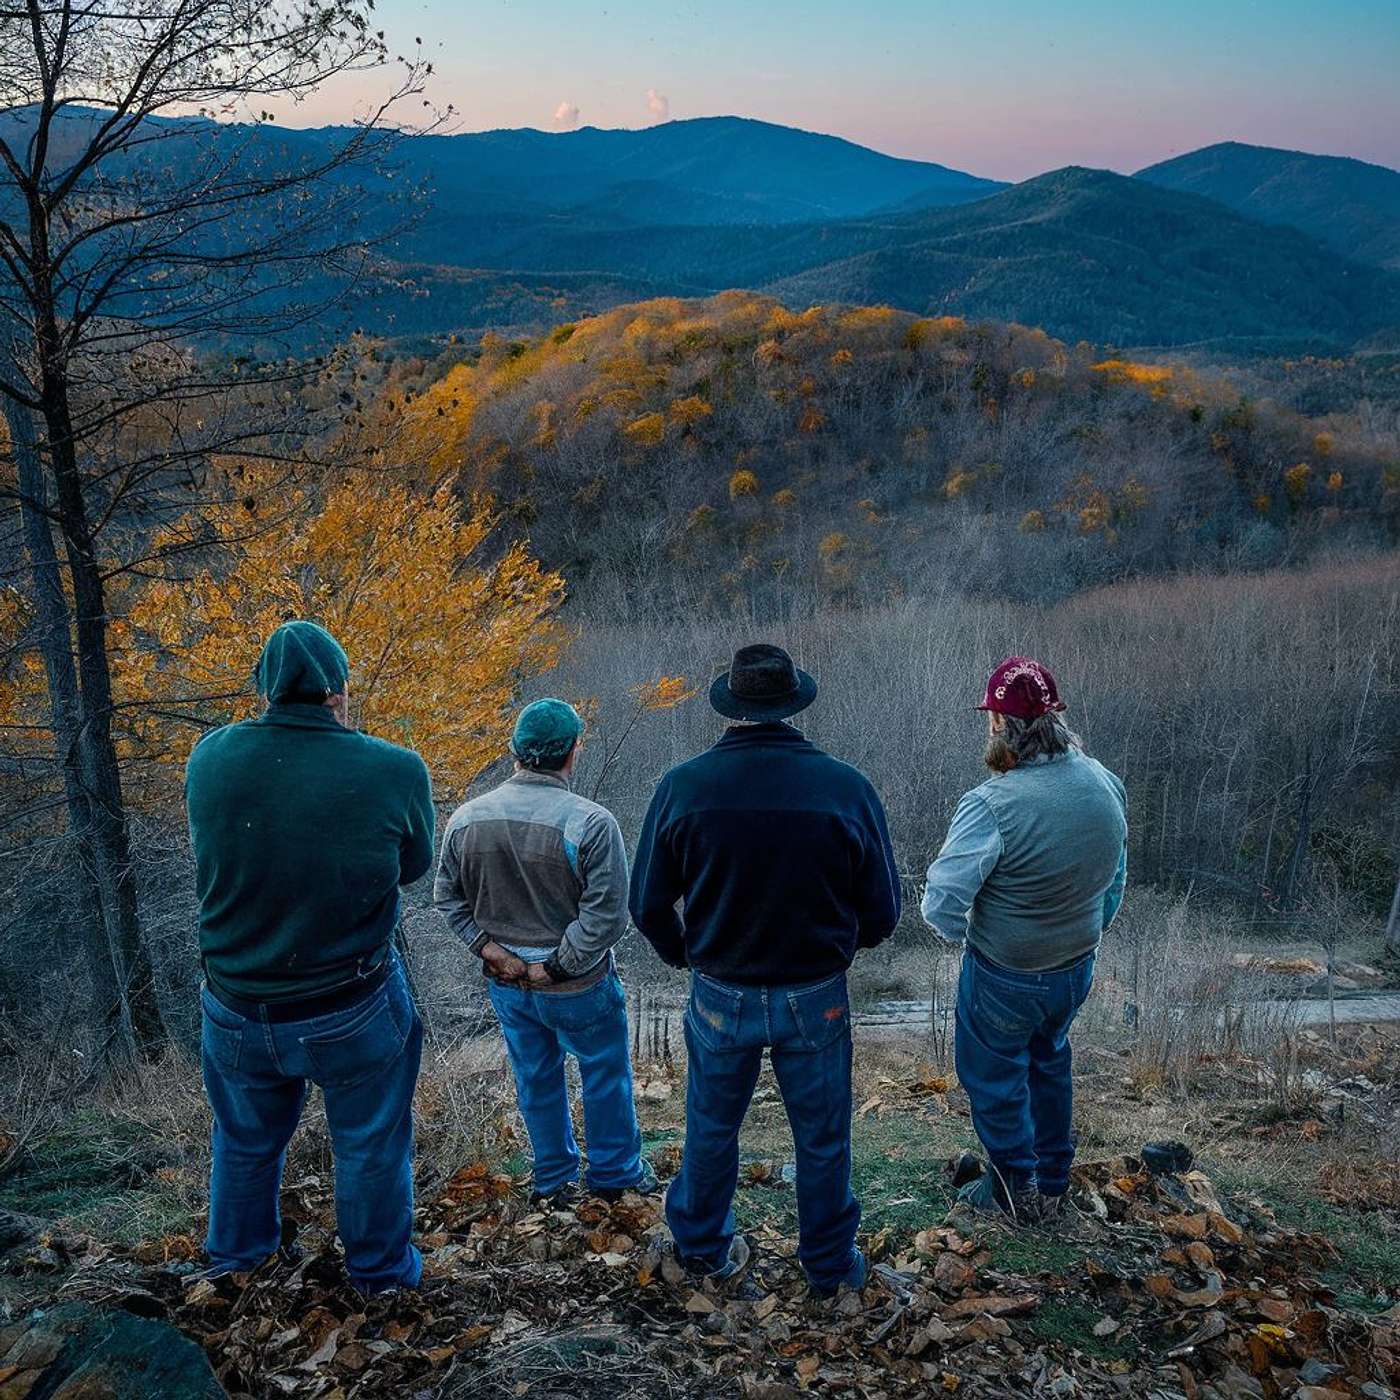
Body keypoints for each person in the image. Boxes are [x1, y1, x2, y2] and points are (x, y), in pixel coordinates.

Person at [630, 644, 901, 1296]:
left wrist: (686, 953)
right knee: (824, 1138)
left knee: (712, 1129)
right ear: (793, 704)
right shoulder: (845, 787)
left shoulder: (684, 787)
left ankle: (701, 1253)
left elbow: (646, 904)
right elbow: (884, 911)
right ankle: (831, 1270)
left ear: (731, 706)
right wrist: (838, 950)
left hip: (721, 989)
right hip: (817, 994)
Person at [186, 620, 434, 1294]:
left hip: (236, 1003)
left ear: (266, 691)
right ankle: (381, 1277)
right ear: (339, 691)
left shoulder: (209, 758)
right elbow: (414, 867)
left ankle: (236, 1268)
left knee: (243, 1139)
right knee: (370, 1141)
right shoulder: (395, 768)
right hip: (348, 1005)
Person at [922, 656, 1127, 1223]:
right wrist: (1089, 926)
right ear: (1056, 718)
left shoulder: (991, 805)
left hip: (1005, 971)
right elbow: (1116, 876)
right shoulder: (1104, 783)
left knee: (994, 1075)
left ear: (998, 725)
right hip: (1075, 965)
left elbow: (941, 902)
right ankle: (1054, 1180)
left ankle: (1013, 1188)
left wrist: (973, 938)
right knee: (1049, 1060)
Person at [434, 698, 651, 1205]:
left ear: (514, 751)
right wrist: (554, 967)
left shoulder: (467, 818)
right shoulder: (592, 824)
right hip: (577, 983)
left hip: (507, 981)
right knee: (604, 1073)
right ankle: (616, 1177)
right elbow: (606, 918)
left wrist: (491, 951)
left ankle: (553, 1179)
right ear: (573, 754)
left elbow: (447, 898)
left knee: (535, 1075)